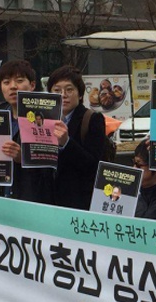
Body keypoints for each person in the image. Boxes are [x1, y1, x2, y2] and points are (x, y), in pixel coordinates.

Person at [0, 60, 54, 204]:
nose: (12, 86)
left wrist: (23, 157)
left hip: (33, 200)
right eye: (6, 82)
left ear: (32, 85)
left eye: (19, 81)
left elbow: (51, 167)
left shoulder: (45, 117)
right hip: (2, 198)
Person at [46, 65, 106, 210]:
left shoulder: (92, 119)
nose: (63, 95)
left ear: (80, 94)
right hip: (48, 200)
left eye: (69, 89)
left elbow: (93, 164)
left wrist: (66, 143)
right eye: (57, 90)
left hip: (78, 202)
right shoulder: (43, 120)